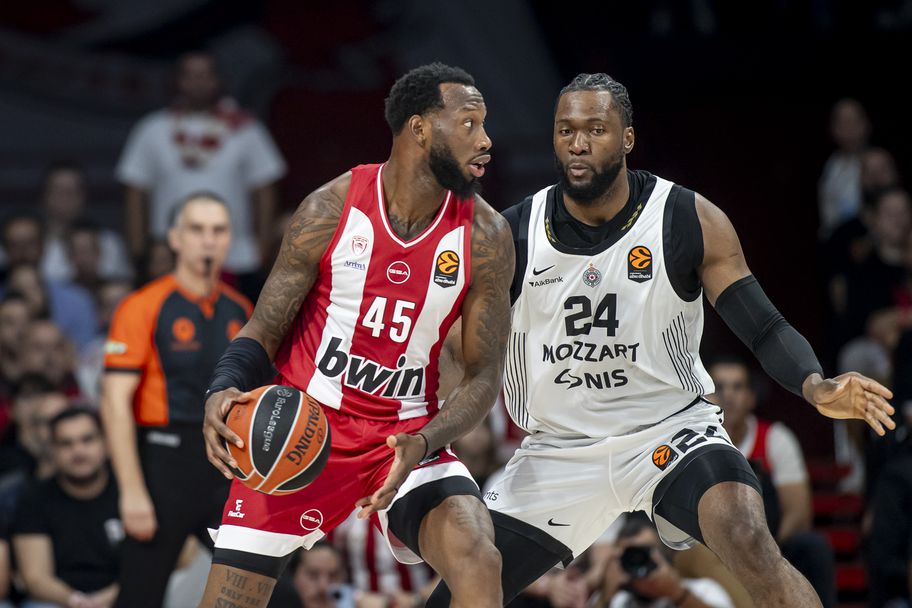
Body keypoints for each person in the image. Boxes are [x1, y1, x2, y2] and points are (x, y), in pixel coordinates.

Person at [427, 73, 895, 608]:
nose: (577, 144)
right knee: (458, 592)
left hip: (670, 432)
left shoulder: (687, 218)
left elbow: (763, 326)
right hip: (558, 450)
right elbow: (455, 350)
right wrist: (413, 425)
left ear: (627, 138)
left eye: (595, 129)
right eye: (565, 130)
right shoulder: (510, 235)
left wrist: (814, 384)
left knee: (747, 535)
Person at [199, 62, 512, 608]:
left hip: (406, 437)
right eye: (469, 123)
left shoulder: (486, 235)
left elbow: (484, 375)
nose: (485, 140)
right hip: (303, 430)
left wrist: (424, 441)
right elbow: (264, 327)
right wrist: (222, 387)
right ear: (420, 129)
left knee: (479, 559)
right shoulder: (329, 208)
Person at [99, 193, 252, 608]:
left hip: (225, 463)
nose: (208, 240)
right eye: (197, 229)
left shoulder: (240, 309)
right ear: (175, 238)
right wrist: (131, 491)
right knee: (139, 596)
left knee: (266, 588)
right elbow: (114, 402)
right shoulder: (142, 306)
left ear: (229, 239)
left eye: (218, 230)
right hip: (162, 465)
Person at [116, 51, 286, 296]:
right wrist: (139, 251)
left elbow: (264, 190)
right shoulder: (152, 129)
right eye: (190, 75)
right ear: (177, 80)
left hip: (236, 258)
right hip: (168, 259)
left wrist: (262, 248)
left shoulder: (246, 129)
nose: (198, 82)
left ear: (219, 80)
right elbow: (135, 193)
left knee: (237, 319)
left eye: (206, 75)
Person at [709, 356, 835, 607]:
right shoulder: (691, 442)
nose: (728, 396)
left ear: (751, 397)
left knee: (813, 546)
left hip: (770, 543)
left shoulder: (775, 438)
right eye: (719, 387)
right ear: (704, 395)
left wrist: (762, 551)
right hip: (710, 552)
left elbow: (798, 514)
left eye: (737, 387)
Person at [11, 408, 121, 608]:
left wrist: (107, 599)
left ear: (106, 442)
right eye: (66, 444)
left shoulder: (130, 493)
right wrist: (77, 601)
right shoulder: (34, 499)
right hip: (59, 601)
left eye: (87, 440)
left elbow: (153, 562)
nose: (78, 451)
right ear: (52, 450)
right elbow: (35, 577)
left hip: (126, 593)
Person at [593, 515, 733, 608]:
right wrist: (607, 594)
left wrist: (678, 595)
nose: (640, 562)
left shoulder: (703, 590)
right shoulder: (619, 600)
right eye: (630, 557)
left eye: (645, 553)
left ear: (666, 554)